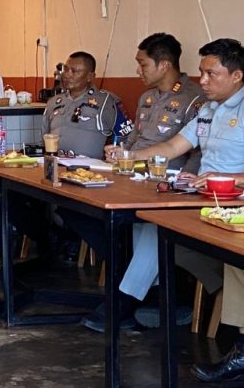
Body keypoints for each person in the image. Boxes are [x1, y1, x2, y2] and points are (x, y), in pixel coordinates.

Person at [123, 38, 244, 383]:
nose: (202, 80)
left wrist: (227, 179)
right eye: (201, 72)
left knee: (232, 260)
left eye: (211, 73)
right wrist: (129, 156)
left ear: (236, 75)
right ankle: (219, 294)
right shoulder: (207, 110)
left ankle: (239, 347)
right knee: (160, 230)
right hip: (204, 201)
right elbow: (175, 145)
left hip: (235, 205)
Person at [77, 33, 215, 332]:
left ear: (164, 65)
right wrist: (118, 151)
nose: (138, 70)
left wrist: (185, 186)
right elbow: (134, 139)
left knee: (147, 225)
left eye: (143, 64)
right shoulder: (147, 98)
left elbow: (195, 152)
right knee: (78, 208)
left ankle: (125, 301)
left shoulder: (195, 100)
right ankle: (153, 293)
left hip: (166, 183)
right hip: (131, 175)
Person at [13, 52, 132, 261]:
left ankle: (67, 238)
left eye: (74, 71)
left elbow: (126, 135)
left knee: (68, 206)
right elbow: (44, 138)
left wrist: (113, 157)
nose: (67, 75)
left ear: (90, 76)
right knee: (14, 196)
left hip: (87, 173)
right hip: (52, 167)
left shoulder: (105, 102)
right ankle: (48, 236)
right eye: (65, 69)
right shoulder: (54, 102)